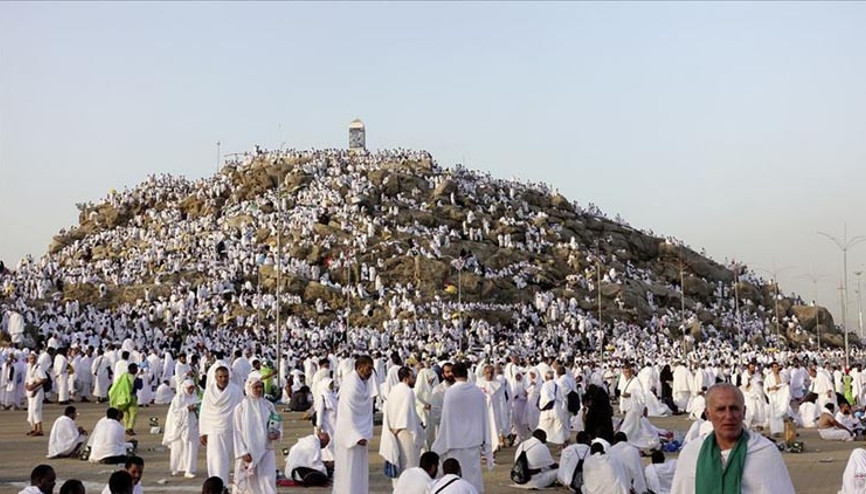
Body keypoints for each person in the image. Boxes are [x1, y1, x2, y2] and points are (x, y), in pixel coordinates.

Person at [670, 383, 795, 493]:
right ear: (708, 414)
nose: (728, 416)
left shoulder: (765, 452)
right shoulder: (692, 453)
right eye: (721, 410)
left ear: (743, 412)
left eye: (734, 409)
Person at [432, 361, 490, 493]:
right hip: (474, 441)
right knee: (473, 475)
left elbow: (446, 419)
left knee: (457, 477)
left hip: (455, 441)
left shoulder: (451, 393)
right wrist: (485, 438)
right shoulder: (478, 392)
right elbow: (484, 416)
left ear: (453, 374)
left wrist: (441, 439)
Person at [232, 376, 282, 494]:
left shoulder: (268, 405)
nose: (259, 390)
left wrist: (277, 433)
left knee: (268, 479)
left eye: (260, 387)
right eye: (256, 387)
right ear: (249, 388)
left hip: (266, 448)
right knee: (250, 482)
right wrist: (242, 452)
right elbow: (237, 431)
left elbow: (277, 422)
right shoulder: (241, 408)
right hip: (249, 451)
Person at [333, 355, 375, 494]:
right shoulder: (350, 385)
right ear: (360, 367)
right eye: (368, 369)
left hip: (361, 435)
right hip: (350, 438)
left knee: (359, 474)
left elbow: (364, 410)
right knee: (348, 474)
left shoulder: (363, 384)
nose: (370, 372)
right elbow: (347, 413)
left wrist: (364, 433)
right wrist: (356, 436)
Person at [199, 365, 243, 484]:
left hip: (230, 429)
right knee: (215, 459)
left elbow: (242, 410)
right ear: (216, 377)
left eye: (225, 376)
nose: (223, 379)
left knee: (228, 459)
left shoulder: (236, 390)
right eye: (220, 377)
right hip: (213, 430)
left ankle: (225, 483)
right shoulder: (209, 391)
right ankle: (217, 485)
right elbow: (204, 412)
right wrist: (203, 432)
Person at [380, 366, 423, 484]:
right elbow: (407, 414)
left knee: (399, 465)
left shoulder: (393, 390)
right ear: (406, 378)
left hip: (394, 431)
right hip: (406, 432)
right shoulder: (408, 392)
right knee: (409, 466)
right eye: (412, 377)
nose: (414, 380)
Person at [163, 379, 200, 478]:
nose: (191, 390)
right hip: (180, 428)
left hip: (192, 426)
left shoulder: (195, 397)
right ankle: (175, 468)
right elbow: (174, 413)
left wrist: (196, 409)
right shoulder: (178, 399)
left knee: (190, 449)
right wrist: (187, 409)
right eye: (189, 388)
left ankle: (189, 469)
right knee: (178, 448)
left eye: (192, 388)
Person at [109, 363, 140, 435]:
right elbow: (138, 386)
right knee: (133, 412)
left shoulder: (123, 376)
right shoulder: (132, 378)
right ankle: (130, 428)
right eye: (136, 369)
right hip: (131, 397)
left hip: (123, 398)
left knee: (126, 413)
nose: (137, 370)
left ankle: (126, 427)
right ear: (133, 370)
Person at [25, 352, 48, 436]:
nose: (32, 360)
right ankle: (34, 428)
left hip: (38, 390)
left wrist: (34, 386)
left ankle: (40, 429)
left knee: (36, 409)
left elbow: (44, 379)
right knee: (31, 410)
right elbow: (27, 379)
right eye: (31, 358)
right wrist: (27, 386)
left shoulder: (39, 367)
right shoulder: (28, 367)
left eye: (34, 358)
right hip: (30, 391)